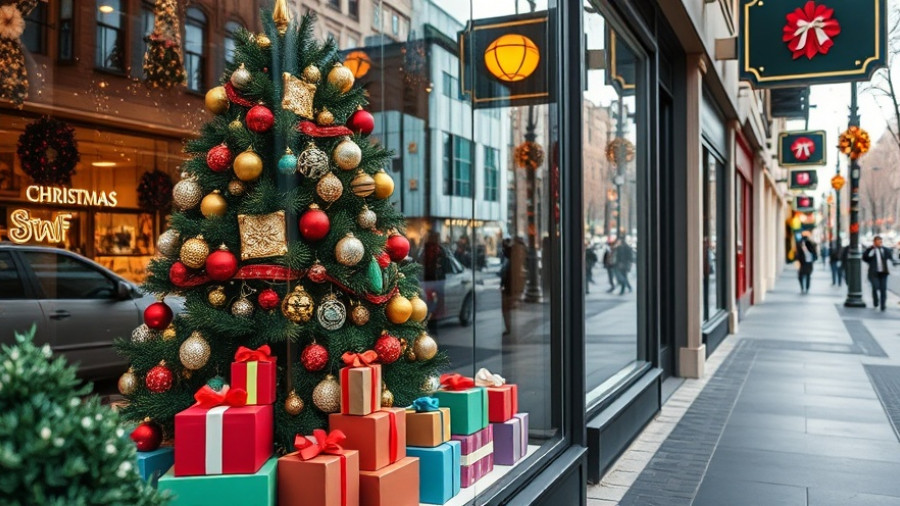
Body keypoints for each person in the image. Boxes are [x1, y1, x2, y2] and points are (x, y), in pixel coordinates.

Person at [863, 235, 893, 311]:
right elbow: (865, 258)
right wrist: (871, 250)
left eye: (880, 241)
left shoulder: (885, 250)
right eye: (878, 242)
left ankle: (883, 305)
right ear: (874, 242)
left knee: (883, 289)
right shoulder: (870, 250)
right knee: (875, 287)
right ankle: (876, 301)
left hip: (883, 272)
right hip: (874, 273)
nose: (879, 243)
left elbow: (890, 258)